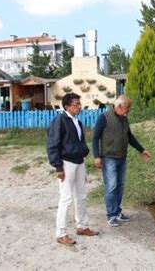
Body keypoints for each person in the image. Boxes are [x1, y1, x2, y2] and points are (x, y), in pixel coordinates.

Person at [47, 93, 99, 246]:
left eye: (79, 103)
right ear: (67, 106)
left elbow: (80, 141)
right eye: (76, 104)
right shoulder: (59, 121)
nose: (79, 106)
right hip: (66, 163)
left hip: (79, 162)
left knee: (81, 196)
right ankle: (61, 233)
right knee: (66, 198)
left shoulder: (78, 121)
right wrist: (58, 167)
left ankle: (82, 226)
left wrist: (84, 152)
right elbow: (52, 144)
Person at [92, 95, 151, 227]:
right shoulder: (104, 117)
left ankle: (117, 212)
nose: (127, 111)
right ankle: (111, 215)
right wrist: (97, 156)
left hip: (121, 158)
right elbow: (95, 138)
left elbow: (129, 136)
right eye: (126, 109)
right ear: (118, 106)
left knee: (120, 186)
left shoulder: (124, 119)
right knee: (111, 186)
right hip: (109, 158)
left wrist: (142, 150)